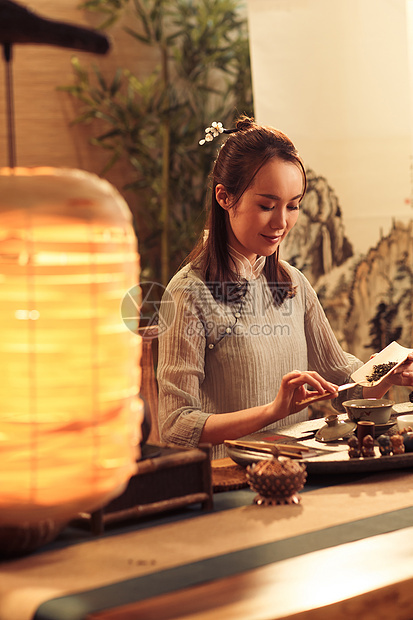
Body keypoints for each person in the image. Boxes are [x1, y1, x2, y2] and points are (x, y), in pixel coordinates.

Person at [157, 116, 413, 459]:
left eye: (293, 206)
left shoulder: (292, 283)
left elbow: (342, 386)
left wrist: (387, 372)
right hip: (232, 483)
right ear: (224, 197)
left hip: (299, 470)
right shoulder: (188, 294)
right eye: (267, 206)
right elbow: (176, 426)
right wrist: (273, 411)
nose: (281, 223)